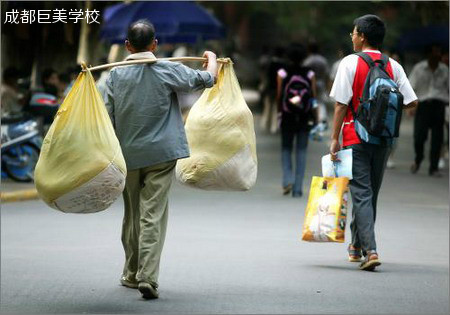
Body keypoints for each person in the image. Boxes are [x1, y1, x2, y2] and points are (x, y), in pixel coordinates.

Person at [103, 19, 218, 299]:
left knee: (132, 214)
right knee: (152, 213)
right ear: (155, 44)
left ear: (127, 46)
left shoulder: (113, 77)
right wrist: (212, 59)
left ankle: (131, 273)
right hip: (162, 155)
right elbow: (207, 79)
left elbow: (106, 117)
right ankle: (148, 277)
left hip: (128, 155)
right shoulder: (168, 69)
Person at [329, 15, 418, 271]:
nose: (351, 36)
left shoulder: (350, 63)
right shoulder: (394, 66)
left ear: (363, 37)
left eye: (354, 33)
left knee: (361, 193)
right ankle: (356, 246)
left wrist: (334, 138)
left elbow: (340, 104)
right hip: (384, 139)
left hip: (354, 137)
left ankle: (371, 251)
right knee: (369, 194)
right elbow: (412, 101)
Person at [277, 43, 318, 197]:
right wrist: (315, 116)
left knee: (286, 149)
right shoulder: (309, 73)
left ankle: (287, 179)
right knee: (301, 151)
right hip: (304, 116)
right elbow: (312, 96)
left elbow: (279, 95)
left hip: (287, 115)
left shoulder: (282, 72)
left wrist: (279, 112)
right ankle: (298, 188)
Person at [408, 44, 449, 177]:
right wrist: (411, 106)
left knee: (438, 138)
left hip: (439, 106)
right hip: (423, 106)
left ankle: (434, 167)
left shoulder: (444, 70)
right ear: (428, 54)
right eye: (435, 52)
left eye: (439, 52)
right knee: (419, 137)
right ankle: (418, 158)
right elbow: (410, 87)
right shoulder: (419, 68)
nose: (437, 55)